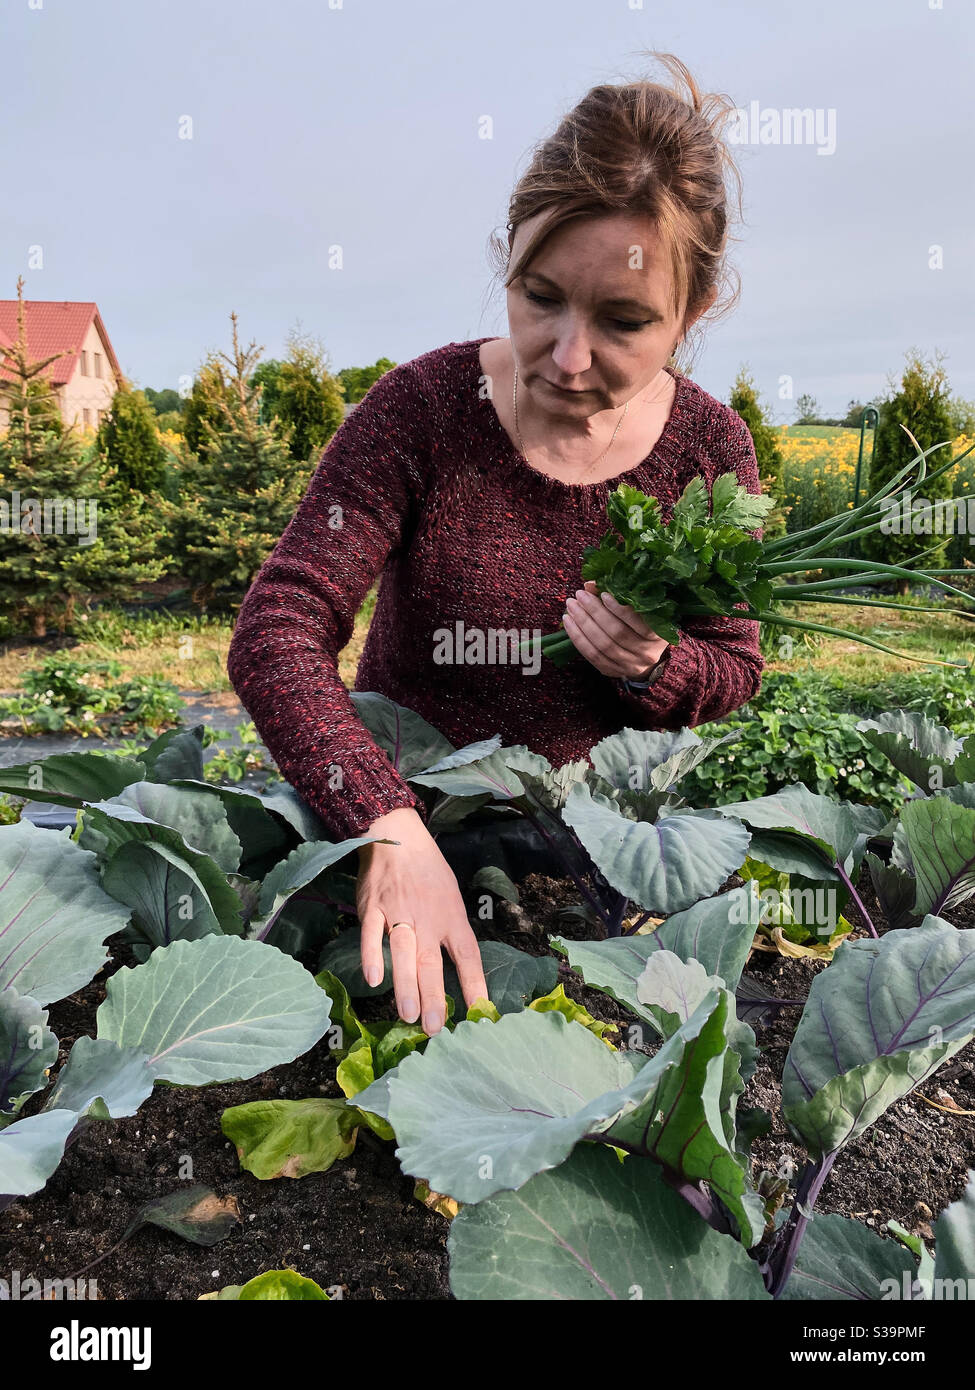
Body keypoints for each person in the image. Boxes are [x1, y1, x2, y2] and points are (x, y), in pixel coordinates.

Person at [226, 53, 764, 1041]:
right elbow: (278, 629)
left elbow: (734, 667)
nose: (566, 354)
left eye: (623, 320)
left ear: (691, 314)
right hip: (406, 826)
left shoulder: (708, 451)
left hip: (590, 863)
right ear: (505, 258)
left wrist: (655, 665)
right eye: (539, 295)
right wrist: (385, 819)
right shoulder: (422, 414)